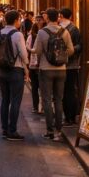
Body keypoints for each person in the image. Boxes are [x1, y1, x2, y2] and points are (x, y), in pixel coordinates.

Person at [33, 8, 75, 140]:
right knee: (58, 99)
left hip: (46, 69)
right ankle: (59, 130)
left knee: (46, 100)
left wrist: (32, 50)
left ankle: (49, 130)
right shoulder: (65, 32)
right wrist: (61, 56)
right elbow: (71, 50)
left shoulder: (42, 32)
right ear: (58, 17)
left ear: (47, 18)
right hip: (61, 69)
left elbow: (37, 51)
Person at [0, 10, 29, 141]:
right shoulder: (17, 34)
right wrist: (27, 67)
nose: (20, 21)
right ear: (15, 20)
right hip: (15, 69)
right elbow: (24, 54)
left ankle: (4, 129)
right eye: (19, 19)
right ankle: (12, 130)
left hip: (1, 70)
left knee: (5, 99)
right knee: (15, 100)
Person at [59, 8, 83, 125]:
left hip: (66, 64)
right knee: (69, 91)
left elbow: (79, 46)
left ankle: (69, 117)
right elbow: (80, 46)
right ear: (71, 16)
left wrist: (67, 51)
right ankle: (70, 117)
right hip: (69, 65)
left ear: (61, 16)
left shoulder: (69, 29)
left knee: (66, 92)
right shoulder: (73, 29)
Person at [26, 21, 42, 114]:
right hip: (41, 65)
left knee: (34, 87)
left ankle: (35, 107)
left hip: (32, 65)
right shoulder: (42, 37)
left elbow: (27, 48)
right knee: (42, 88)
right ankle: (42, 107)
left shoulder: (30, 37)